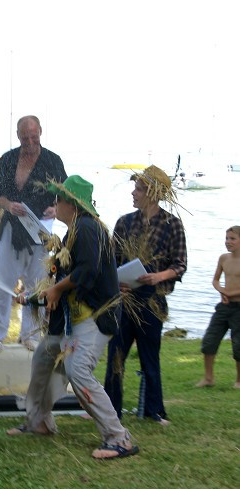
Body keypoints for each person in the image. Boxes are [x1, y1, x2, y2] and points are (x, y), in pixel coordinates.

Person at [6, 175, 137, 459]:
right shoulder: (75, 231)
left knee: (77, 371)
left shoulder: (88, 228)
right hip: (70, 321)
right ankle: (39, 421)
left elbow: (86, 272)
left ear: (73, 204)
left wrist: (55, 289)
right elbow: (63, 277)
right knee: (43, 360)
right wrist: (33, 297)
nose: (55, 204)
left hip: (92, 319)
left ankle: (119, 438)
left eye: (59, 199)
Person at [104, 165, 187, 425]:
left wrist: (159, 276)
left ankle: (155, 411)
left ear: (152, 193)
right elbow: (110, 262)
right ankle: (110, 410)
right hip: (124, 300)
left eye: (138, 188)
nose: (133, 192)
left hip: (153, 300)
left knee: (151, 357)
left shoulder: (172, 224)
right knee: (115, 356)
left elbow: (180, 264)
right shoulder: (124, 222)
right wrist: (117, 282)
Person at [0, 115, 67, 352]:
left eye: (34, 136)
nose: (30, 142)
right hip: (11, 228)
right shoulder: (8, 159)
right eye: (25, 138)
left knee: (36, 284)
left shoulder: (53, 161)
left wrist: (56, 209)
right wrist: (8, 204)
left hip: (41, 230)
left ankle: (29, 334)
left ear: (41, 132)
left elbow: (64, 195)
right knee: (2, 283)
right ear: (18, 136)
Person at [197, 226, 240, 389]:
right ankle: (208, 378)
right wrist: (221, 290)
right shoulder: (223, 258)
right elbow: (215, 280)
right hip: (224, 306)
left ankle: (239, 381)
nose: (228, 242)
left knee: (239, 345)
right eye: (227, 238)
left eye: (232, 239)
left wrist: (230, 292)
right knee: (209, 340)